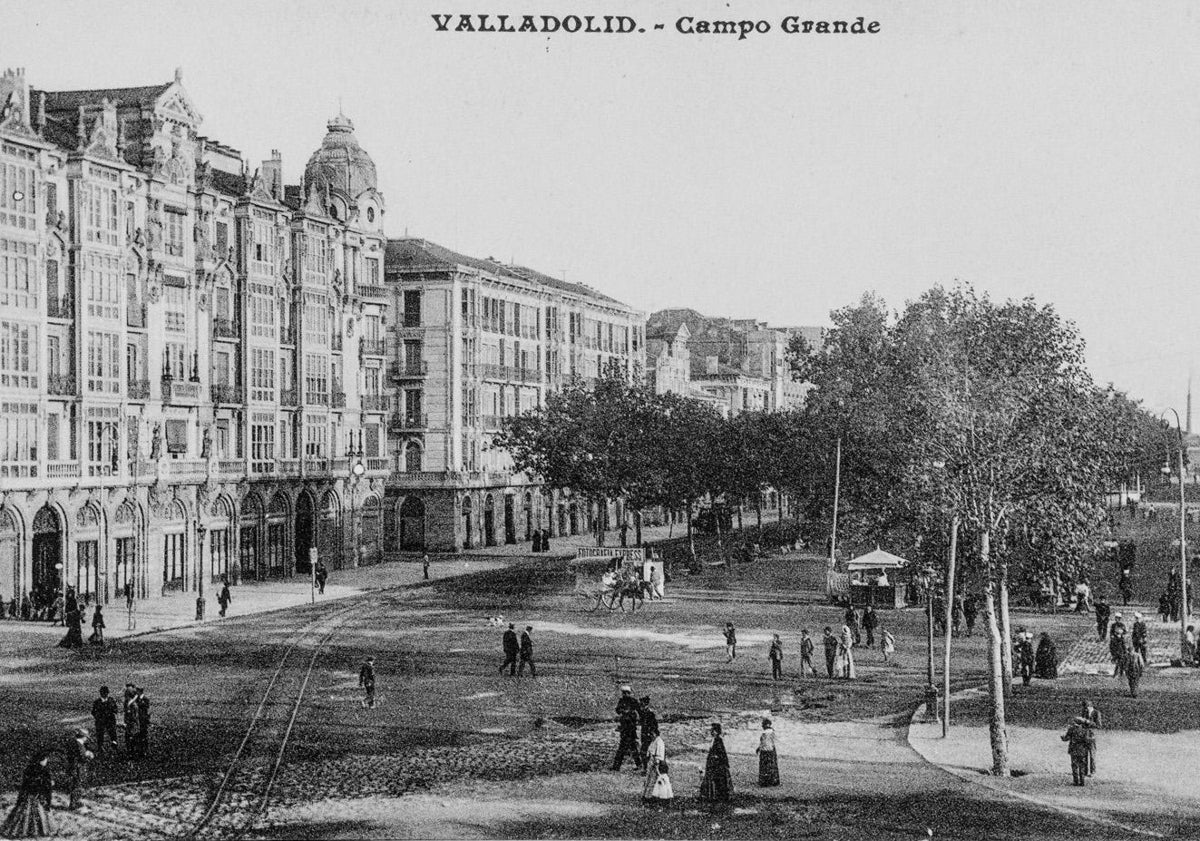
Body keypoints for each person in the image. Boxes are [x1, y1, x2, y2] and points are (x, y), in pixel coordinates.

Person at [1, 751, 54, 837]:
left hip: (28, 795)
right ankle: (38, 831)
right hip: (38, 796)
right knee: (40, 815)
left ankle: (23, 831)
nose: (46, 762)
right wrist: (49, 784)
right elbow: (44, 785)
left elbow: (25, 784)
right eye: (45, 760)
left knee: (23, 814)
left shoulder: (29, 769)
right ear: (41, 760)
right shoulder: (43, 771)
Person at [699, 723, 733, 803]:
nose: (712, 732)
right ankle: (714, 795)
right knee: (714, 779)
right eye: (712, 730)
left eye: (713, 730)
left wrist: (715, 757)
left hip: (717, 764)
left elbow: (721, 752)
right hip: (713, 762)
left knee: (717, 779)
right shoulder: (714, 740)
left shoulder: (718, 740)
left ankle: (717, 796)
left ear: (717, 731)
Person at [612, 686, 643, 771]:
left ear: (629, 693)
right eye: (624, 693)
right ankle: (617, 766)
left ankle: (617, 767)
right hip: (624, 728)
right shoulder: (621, 701)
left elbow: (640, 711)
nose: (625, 694)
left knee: (629, 747)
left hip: (631, 728)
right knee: (626, 747)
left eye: (627, 693)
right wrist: (622, 711)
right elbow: (617, 710)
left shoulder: (633, 701)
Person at [65, 726, 94, 809]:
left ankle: (74, 802)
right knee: (77, 785)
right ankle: (74, 804)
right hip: (78, 768)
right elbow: (82, 758)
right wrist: (89, 755)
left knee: (75, 785)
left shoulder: (73, 743)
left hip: (73, 767)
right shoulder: (80, 746)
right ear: (84, 737)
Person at [1061, 716, 1093, 786]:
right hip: (1082, 750)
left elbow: (1066, 738)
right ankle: (1082, 781)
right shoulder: (1085, 730)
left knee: (1074, 765)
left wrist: (1062, 737)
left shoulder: (1071, 729)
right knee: (1082, 765)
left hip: (1073, 749)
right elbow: (1087, 740)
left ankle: (1076, 781)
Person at [91, 686, 119, 759]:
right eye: (103, 693)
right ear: (101, 693)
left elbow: (116, 710)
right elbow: (93, 712)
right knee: (100, 735)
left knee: (113, 734)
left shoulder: (111, 700)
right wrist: (99, 717)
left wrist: (111, 711)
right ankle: (100, 749)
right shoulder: (97, 702)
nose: (105, 694)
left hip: (110, 721)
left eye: (106, 693)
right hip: (101, 722)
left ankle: (114, 747)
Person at [642, 729, 665, 802]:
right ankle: (646, 795)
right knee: (648, 779)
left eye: (652, 734)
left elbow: (659, 756)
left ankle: (650, 796)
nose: (651, 736)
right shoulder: (654, 741)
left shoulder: (659, 742)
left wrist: (656, 765)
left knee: (653, 780)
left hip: (655, 762)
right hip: (651, 761)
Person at [1080, 700, 1102, 776]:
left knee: (1092, 754)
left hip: (1092, 736)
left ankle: (1093, 771)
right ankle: (1085, 771)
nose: (1085, 710)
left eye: (1086, 708)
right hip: (1084, 735)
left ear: (1090, 706)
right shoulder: (1084, 712)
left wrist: (1089, 722)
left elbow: (1099, 725)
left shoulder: (1096, 713)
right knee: (1084, 754)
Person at [757, 718, 779, 787]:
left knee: (764, 766)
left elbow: (763, 743)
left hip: (765, 751)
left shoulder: (764, 733)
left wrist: (759, 748)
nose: (762, 726)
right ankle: (773, 781)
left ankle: (765, 781)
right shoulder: (772, 731)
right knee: (772, 765)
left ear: (766, 725)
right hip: (772, 750)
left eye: (762, 724)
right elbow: (774, 741)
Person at [638, 696, 660, 762]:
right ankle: (646, 767)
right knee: (645, 751)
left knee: (645, 751)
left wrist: (652, 732)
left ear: (645, 703)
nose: (640, 704)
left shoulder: (650, 713)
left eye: (642, 703)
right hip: (644, 733)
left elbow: (654, 724)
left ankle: (647, 768)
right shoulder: (643, 712)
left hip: (649, 734)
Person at [123, 684, 140, 755]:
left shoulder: (129, 703)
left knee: (130, 736)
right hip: (133, 721)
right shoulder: (131, 702)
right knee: (132, 736)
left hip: (131, 721)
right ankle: (133, 750)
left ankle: (131, 751)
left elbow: (128, 713)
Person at [134, 687, 150, 758]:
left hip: (143, 720)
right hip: (137, 720)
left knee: (143, 735)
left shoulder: (145, 699)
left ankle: (144, 750)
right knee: (138, 735)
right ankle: (139, 750)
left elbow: (145, 707)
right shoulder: (136, 699)